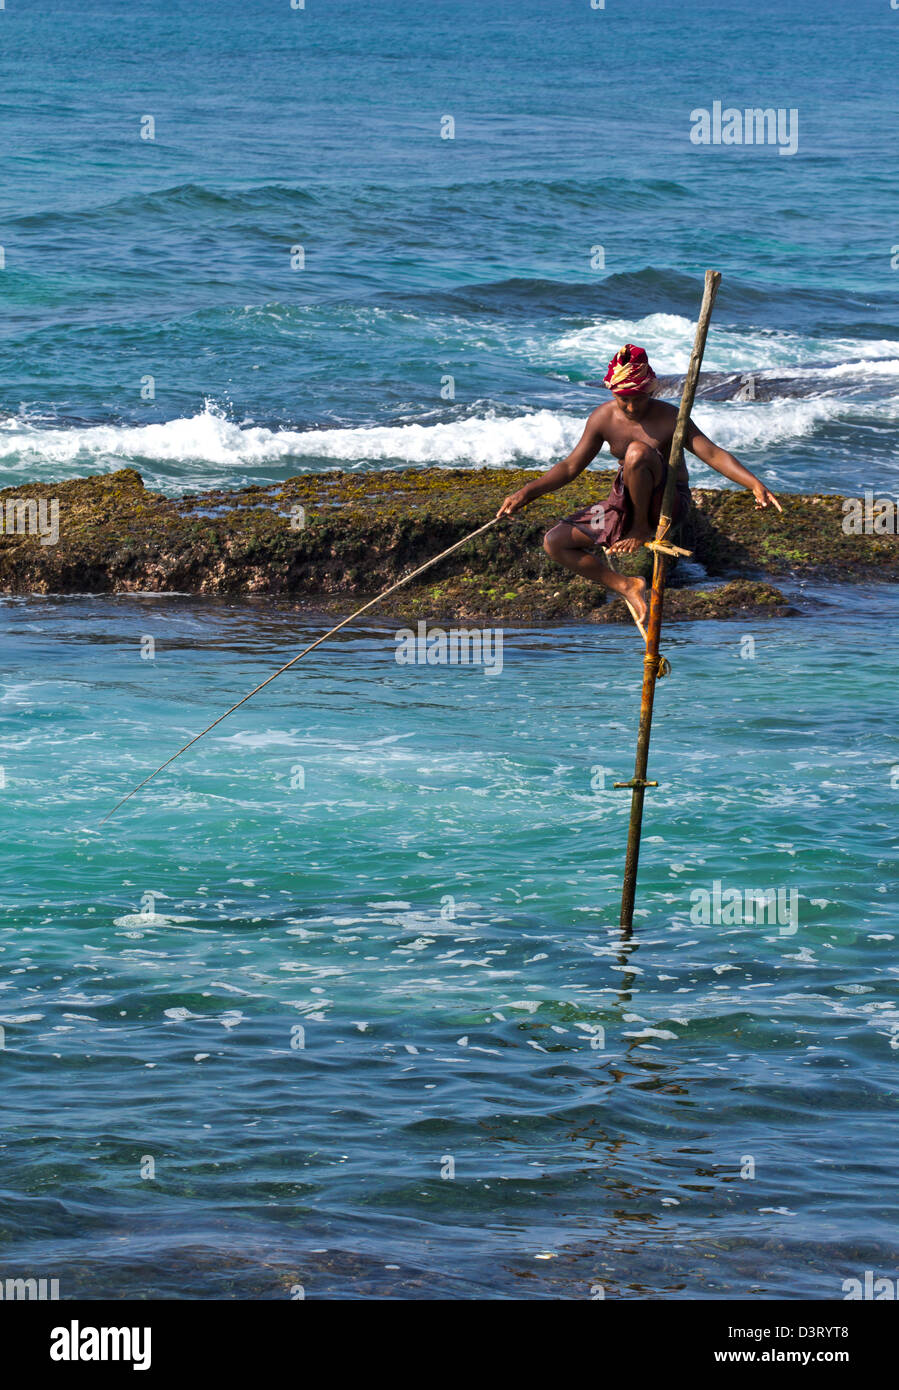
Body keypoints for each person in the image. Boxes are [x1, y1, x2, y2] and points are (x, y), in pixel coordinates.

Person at [496, 343, 782, 623]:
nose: (632, 406)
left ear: (651, 389)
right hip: (626, 505)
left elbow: (712, 452)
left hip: (667, 506)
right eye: (624, 399)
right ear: (612, 391)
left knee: (636, 452)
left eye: (639, 397)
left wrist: (754, 483)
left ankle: (641, 528)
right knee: (555, 542)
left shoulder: (671, 417)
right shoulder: (602, 418)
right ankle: (626, 586)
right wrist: (527, 493)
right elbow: (570, 467)